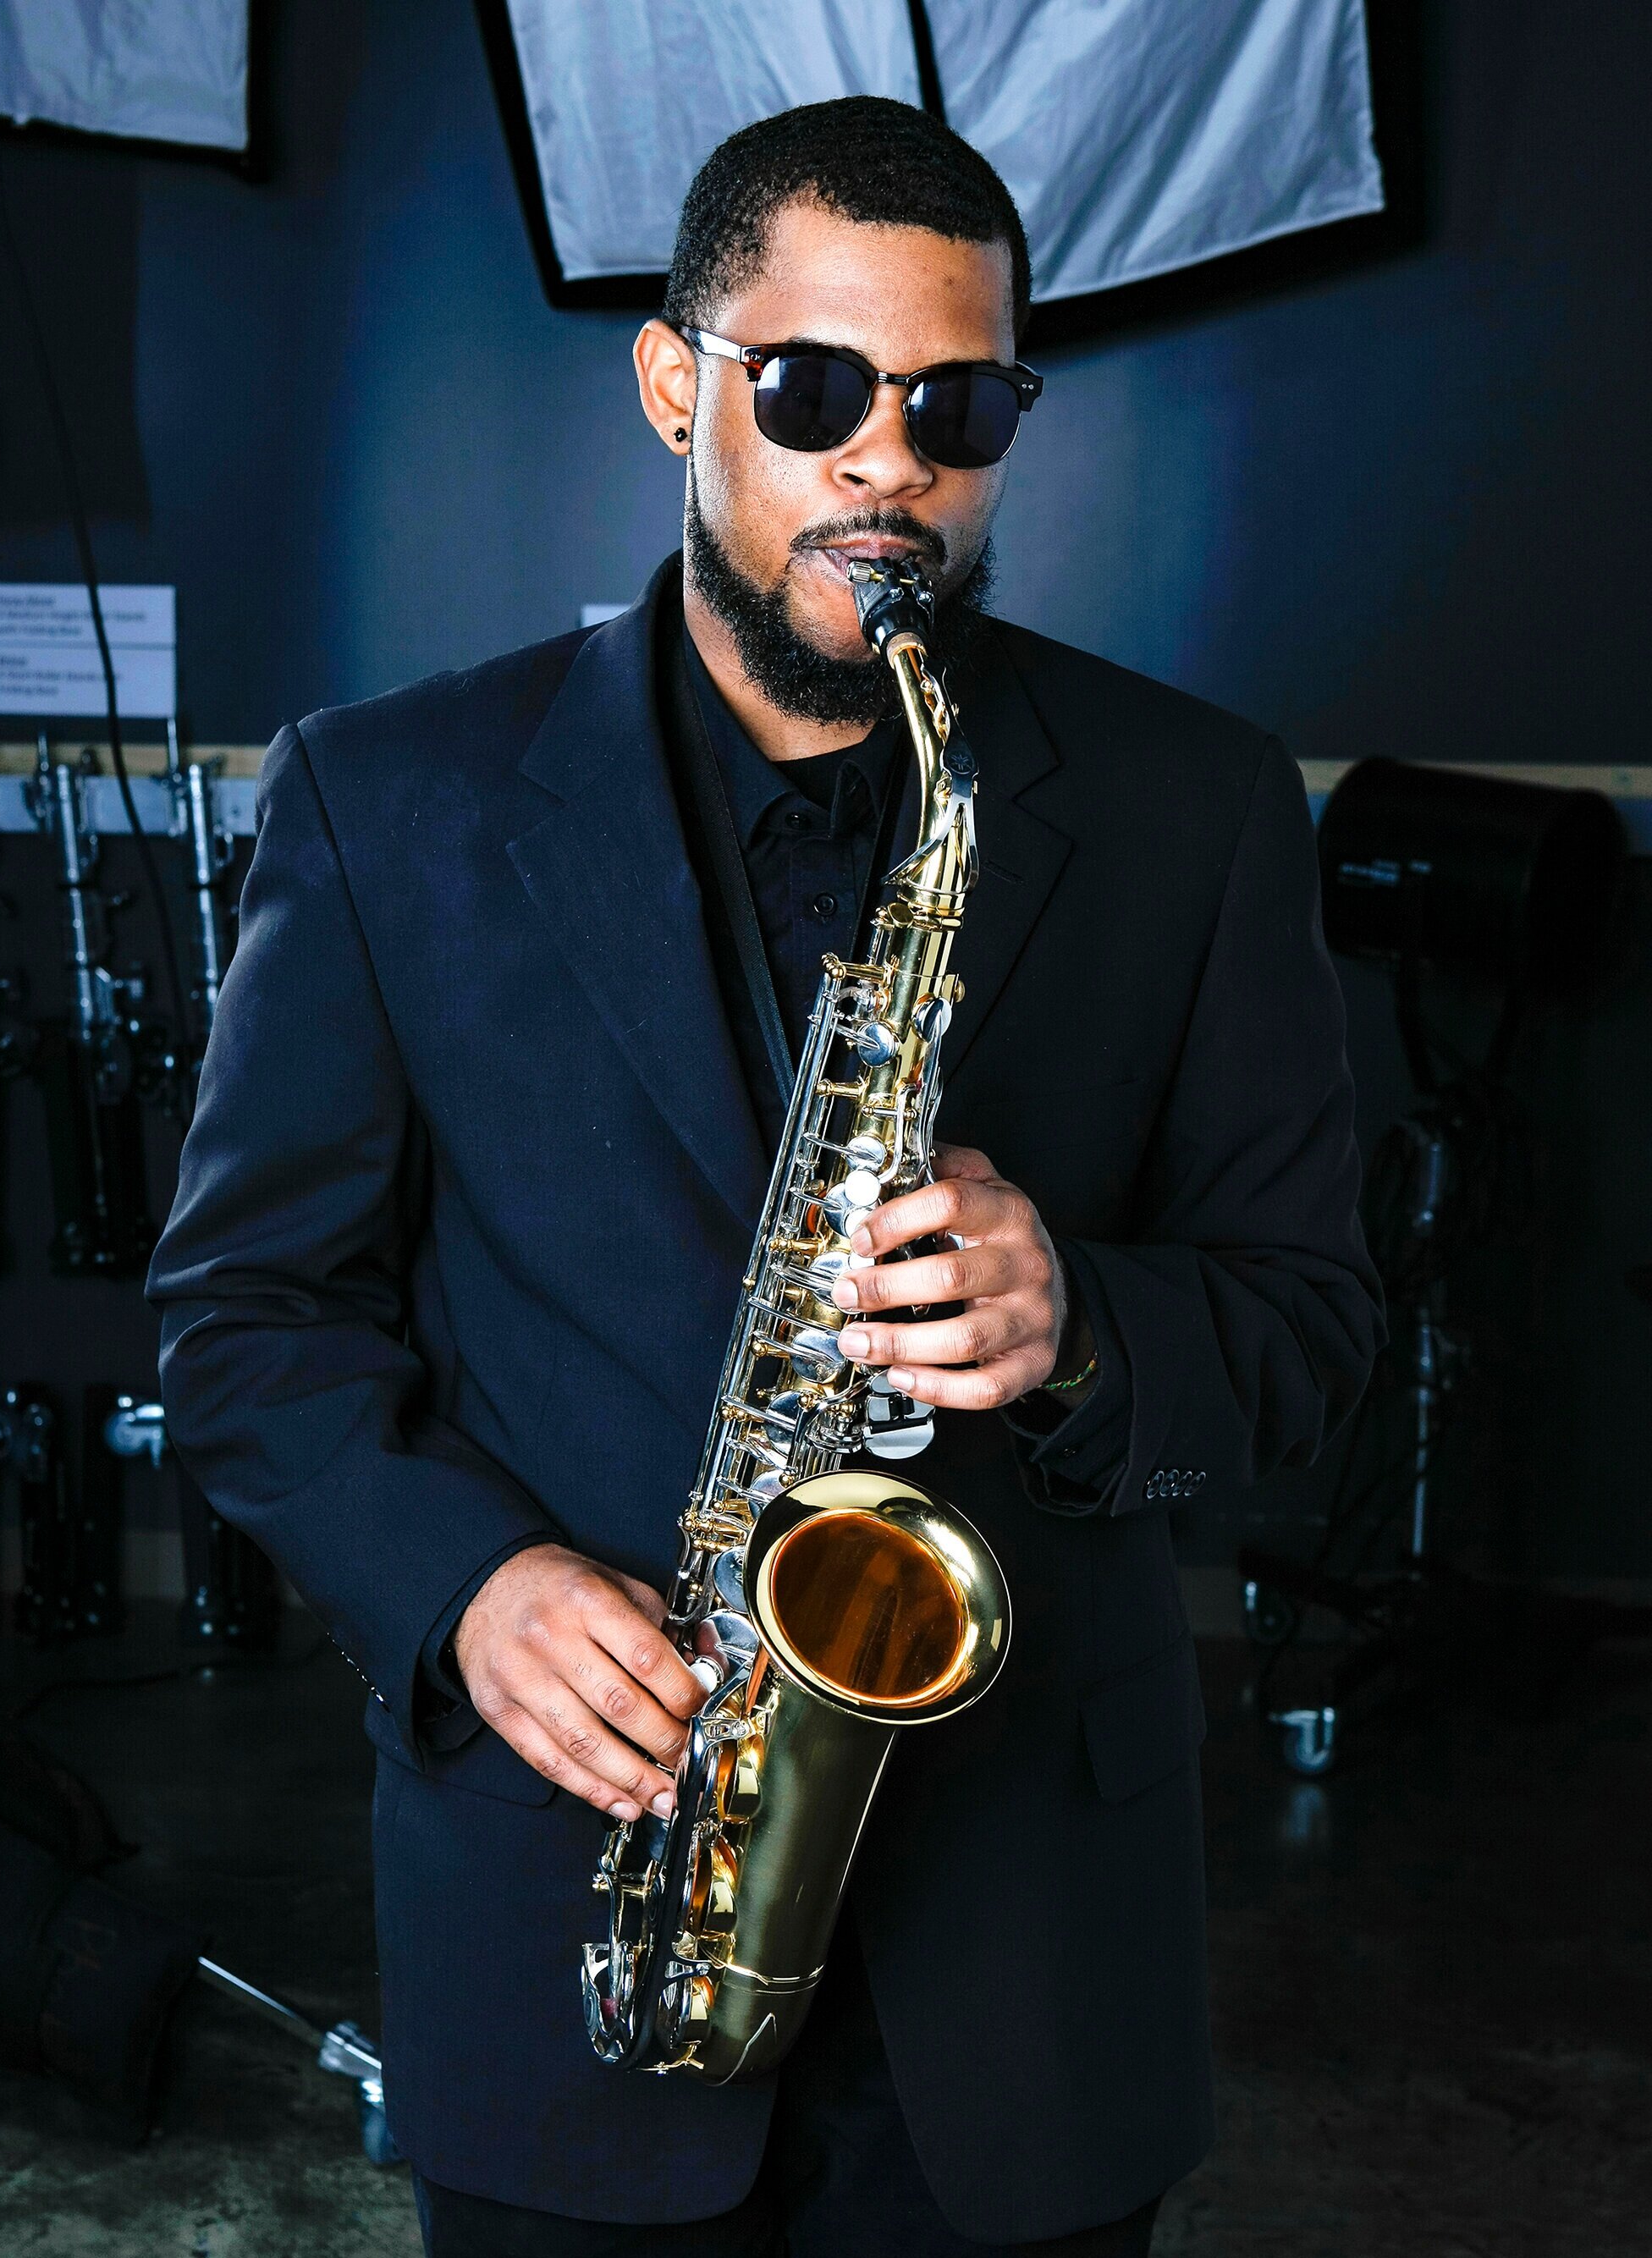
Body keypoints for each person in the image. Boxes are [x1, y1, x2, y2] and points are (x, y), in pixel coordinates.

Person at [148, 96, 1383, 2256]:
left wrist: (1082, 1318)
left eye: (956, 404)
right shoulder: (389, 800)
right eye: (813, 387)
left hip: (1025, 1982)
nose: (886, 463)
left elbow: (1311, 1327)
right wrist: (467, 1587)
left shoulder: (1193, 807)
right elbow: (246, 1323)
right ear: (674, 382)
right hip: (571, 1916)